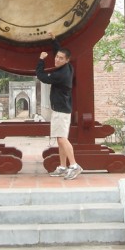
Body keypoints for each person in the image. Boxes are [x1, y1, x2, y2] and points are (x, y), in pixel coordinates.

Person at [35, 31, 83, 180]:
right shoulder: (67, 68)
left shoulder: (60, 75)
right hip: (63, 109)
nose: (57, 59)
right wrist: (54, 40)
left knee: (61, 138)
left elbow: (42, 76)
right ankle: (63, 167)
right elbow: (58, 51)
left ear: (67, 60)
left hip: (60, 111)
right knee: (60, 138)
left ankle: (74, 165)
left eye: (61, 58)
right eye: (57, 57)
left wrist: (41, 60)